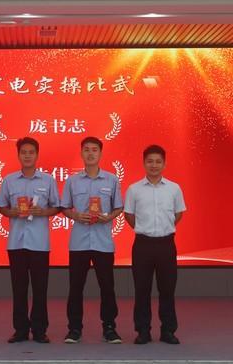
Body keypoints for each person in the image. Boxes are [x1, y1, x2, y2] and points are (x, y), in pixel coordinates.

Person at [60, 136, 124, 344]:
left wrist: (109, 217)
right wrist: (76, 215)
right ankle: (74, 329)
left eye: (94, 150)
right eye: (86, 149)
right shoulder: (72, 181)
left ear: (100, 153)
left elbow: (118, 207)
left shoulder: (112, 180)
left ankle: (109, 328)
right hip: (79, 242)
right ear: (81, 153)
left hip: (103, 242)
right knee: (75, 287)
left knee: (107, 287)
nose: (90, 153)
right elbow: (64, 207)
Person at [0, 137, 60, 343]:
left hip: (39, 243)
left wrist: (43, 212)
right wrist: (12, 212)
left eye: (31, 152)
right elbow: (2, 207)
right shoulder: (9, 180)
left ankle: (40, 330)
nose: (27, 156)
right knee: (19, 288)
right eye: (23, 152)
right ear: (18, 155)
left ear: (37, 155)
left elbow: (57, 207)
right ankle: (20, 330)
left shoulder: (48, 180)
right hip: (16, 243)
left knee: (40, 289)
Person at [124, 144, 186, 345]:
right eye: (150, 161)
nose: (154, 165)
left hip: (166, 244)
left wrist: (164, 228)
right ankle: (143, 331)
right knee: (142, 290)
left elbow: (178, 214)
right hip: (143, 245)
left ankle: (168, 330)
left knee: (167, 290)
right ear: (144, 163)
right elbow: (129, 215)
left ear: (164, 164)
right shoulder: (134, 189)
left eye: (158, 161)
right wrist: (144, 228)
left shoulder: (174, 188)